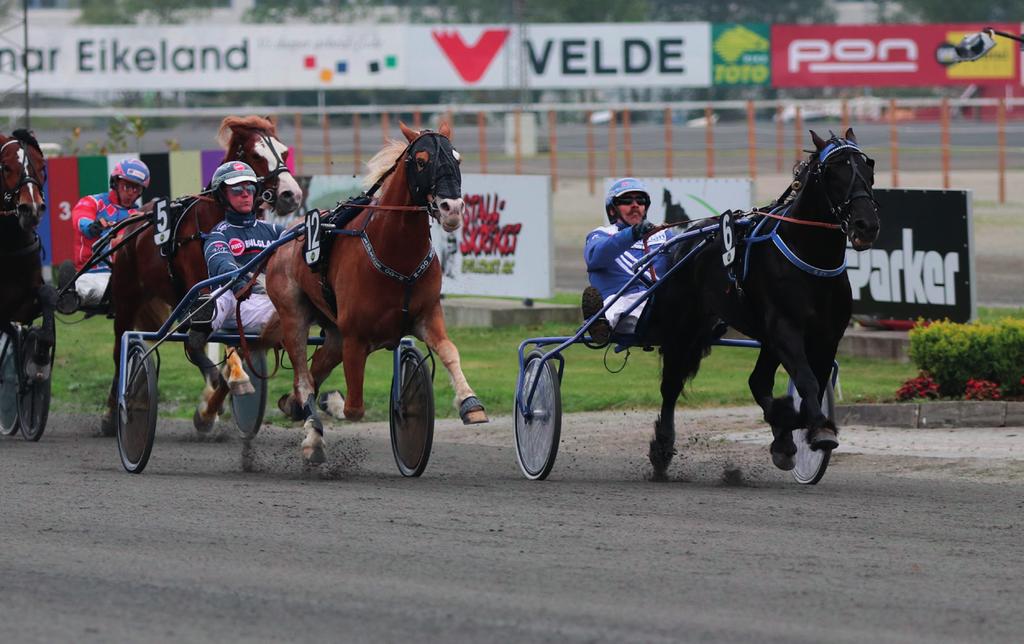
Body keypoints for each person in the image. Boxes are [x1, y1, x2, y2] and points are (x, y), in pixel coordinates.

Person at [581, 178, 674, 342]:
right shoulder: (601, 234)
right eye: (626, 201)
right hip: (620, 301)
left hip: (660, 302)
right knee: (618, 307)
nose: (635, 205)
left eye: (640, 200)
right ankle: (599, 324)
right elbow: (595, 258)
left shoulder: (665, 235)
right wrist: (633, 233)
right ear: (612, 211)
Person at [63, 158, 150, 307]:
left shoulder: (138, 215)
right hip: (90, 273)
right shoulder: (93, 202)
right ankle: (71, 295)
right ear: (115, 183)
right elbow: (81, 218)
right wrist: (91, 226)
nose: (131, 193)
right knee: (89, 289)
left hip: (124, 276)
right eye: (126, 186)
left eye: (136, 189)